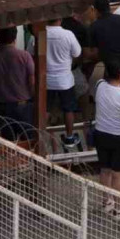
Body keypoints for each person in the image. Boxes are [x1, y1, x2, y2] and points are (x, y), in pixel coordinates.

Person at [94, 63, 120, 220]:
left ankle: (107, 202)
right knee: (118, 174)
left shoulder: (99, 86)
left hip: (101, 134)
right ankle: (119, 209)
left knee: (104, 170)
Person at [0, 28, 35, 140]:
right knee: (28, 141)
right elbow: (32, 82)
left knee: (8, 143)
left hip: (1, 107)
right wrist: (35, 101)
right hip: (22, 106)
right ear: (15, 38)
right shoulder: (25, 56)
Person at [46, 17, 84, 150]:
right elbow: (77, 53)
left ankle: (41, 136)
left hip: (47, 79)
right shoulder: (68, 34)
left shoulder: (40, 34)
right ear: (60, 19)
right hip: (65, 80)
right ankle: (69, 137)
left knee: (46, 109)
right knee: (68, 109)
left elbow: (32, 53)